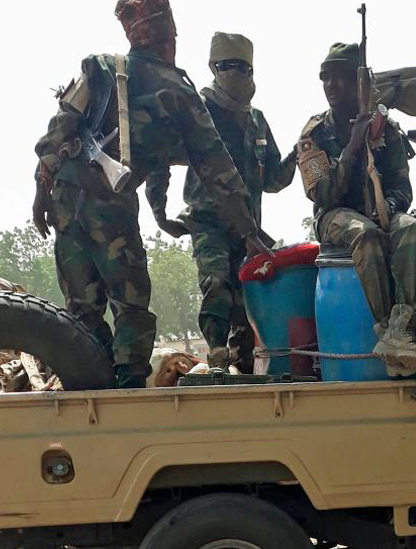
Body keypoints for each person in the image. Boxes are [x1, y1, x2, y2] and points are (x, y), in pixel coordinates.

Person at [32, 0, 271, 388]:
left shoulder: (100, 67)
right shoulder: (178, 91)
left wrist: (41, 195)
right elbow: (218, 170)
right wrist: (249, 231)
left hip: (63, 200)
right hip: (108, 205)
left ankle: (90, 387)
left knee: (81, 308)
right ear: (169, 37)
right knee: (130, 305)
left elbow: (57, 132)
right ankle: (127, 389)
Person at [148, 32, 294, 372]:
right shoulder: (199, 111)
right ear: (213, 67)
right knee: (216, 283)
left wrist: (299, 154)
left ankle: (242, 366)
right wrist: (160, 212)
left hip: (250, 232)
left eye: (244, 67)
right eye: (229, 66)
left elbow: (272, 180)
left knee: (246, 300)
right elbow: (159, 157)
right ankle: (215, 352)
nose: (238, 74)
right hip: (208, 221)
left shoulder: (256, 120)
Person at [297, 43, 416, 374]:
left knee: (411, 228)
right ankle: (387, 332)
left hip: (378, 213)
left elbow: (403, 187)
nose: (331, 85)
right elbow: (323, 196)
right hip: (334, 217)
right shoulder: (315, 133)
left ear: (360, 84)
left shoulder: (387, 129)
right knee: (366, 234)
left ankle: (404, 328)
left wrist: (389, 205)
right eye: (325, 78)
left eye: (339, 77)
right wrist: (353, 146)